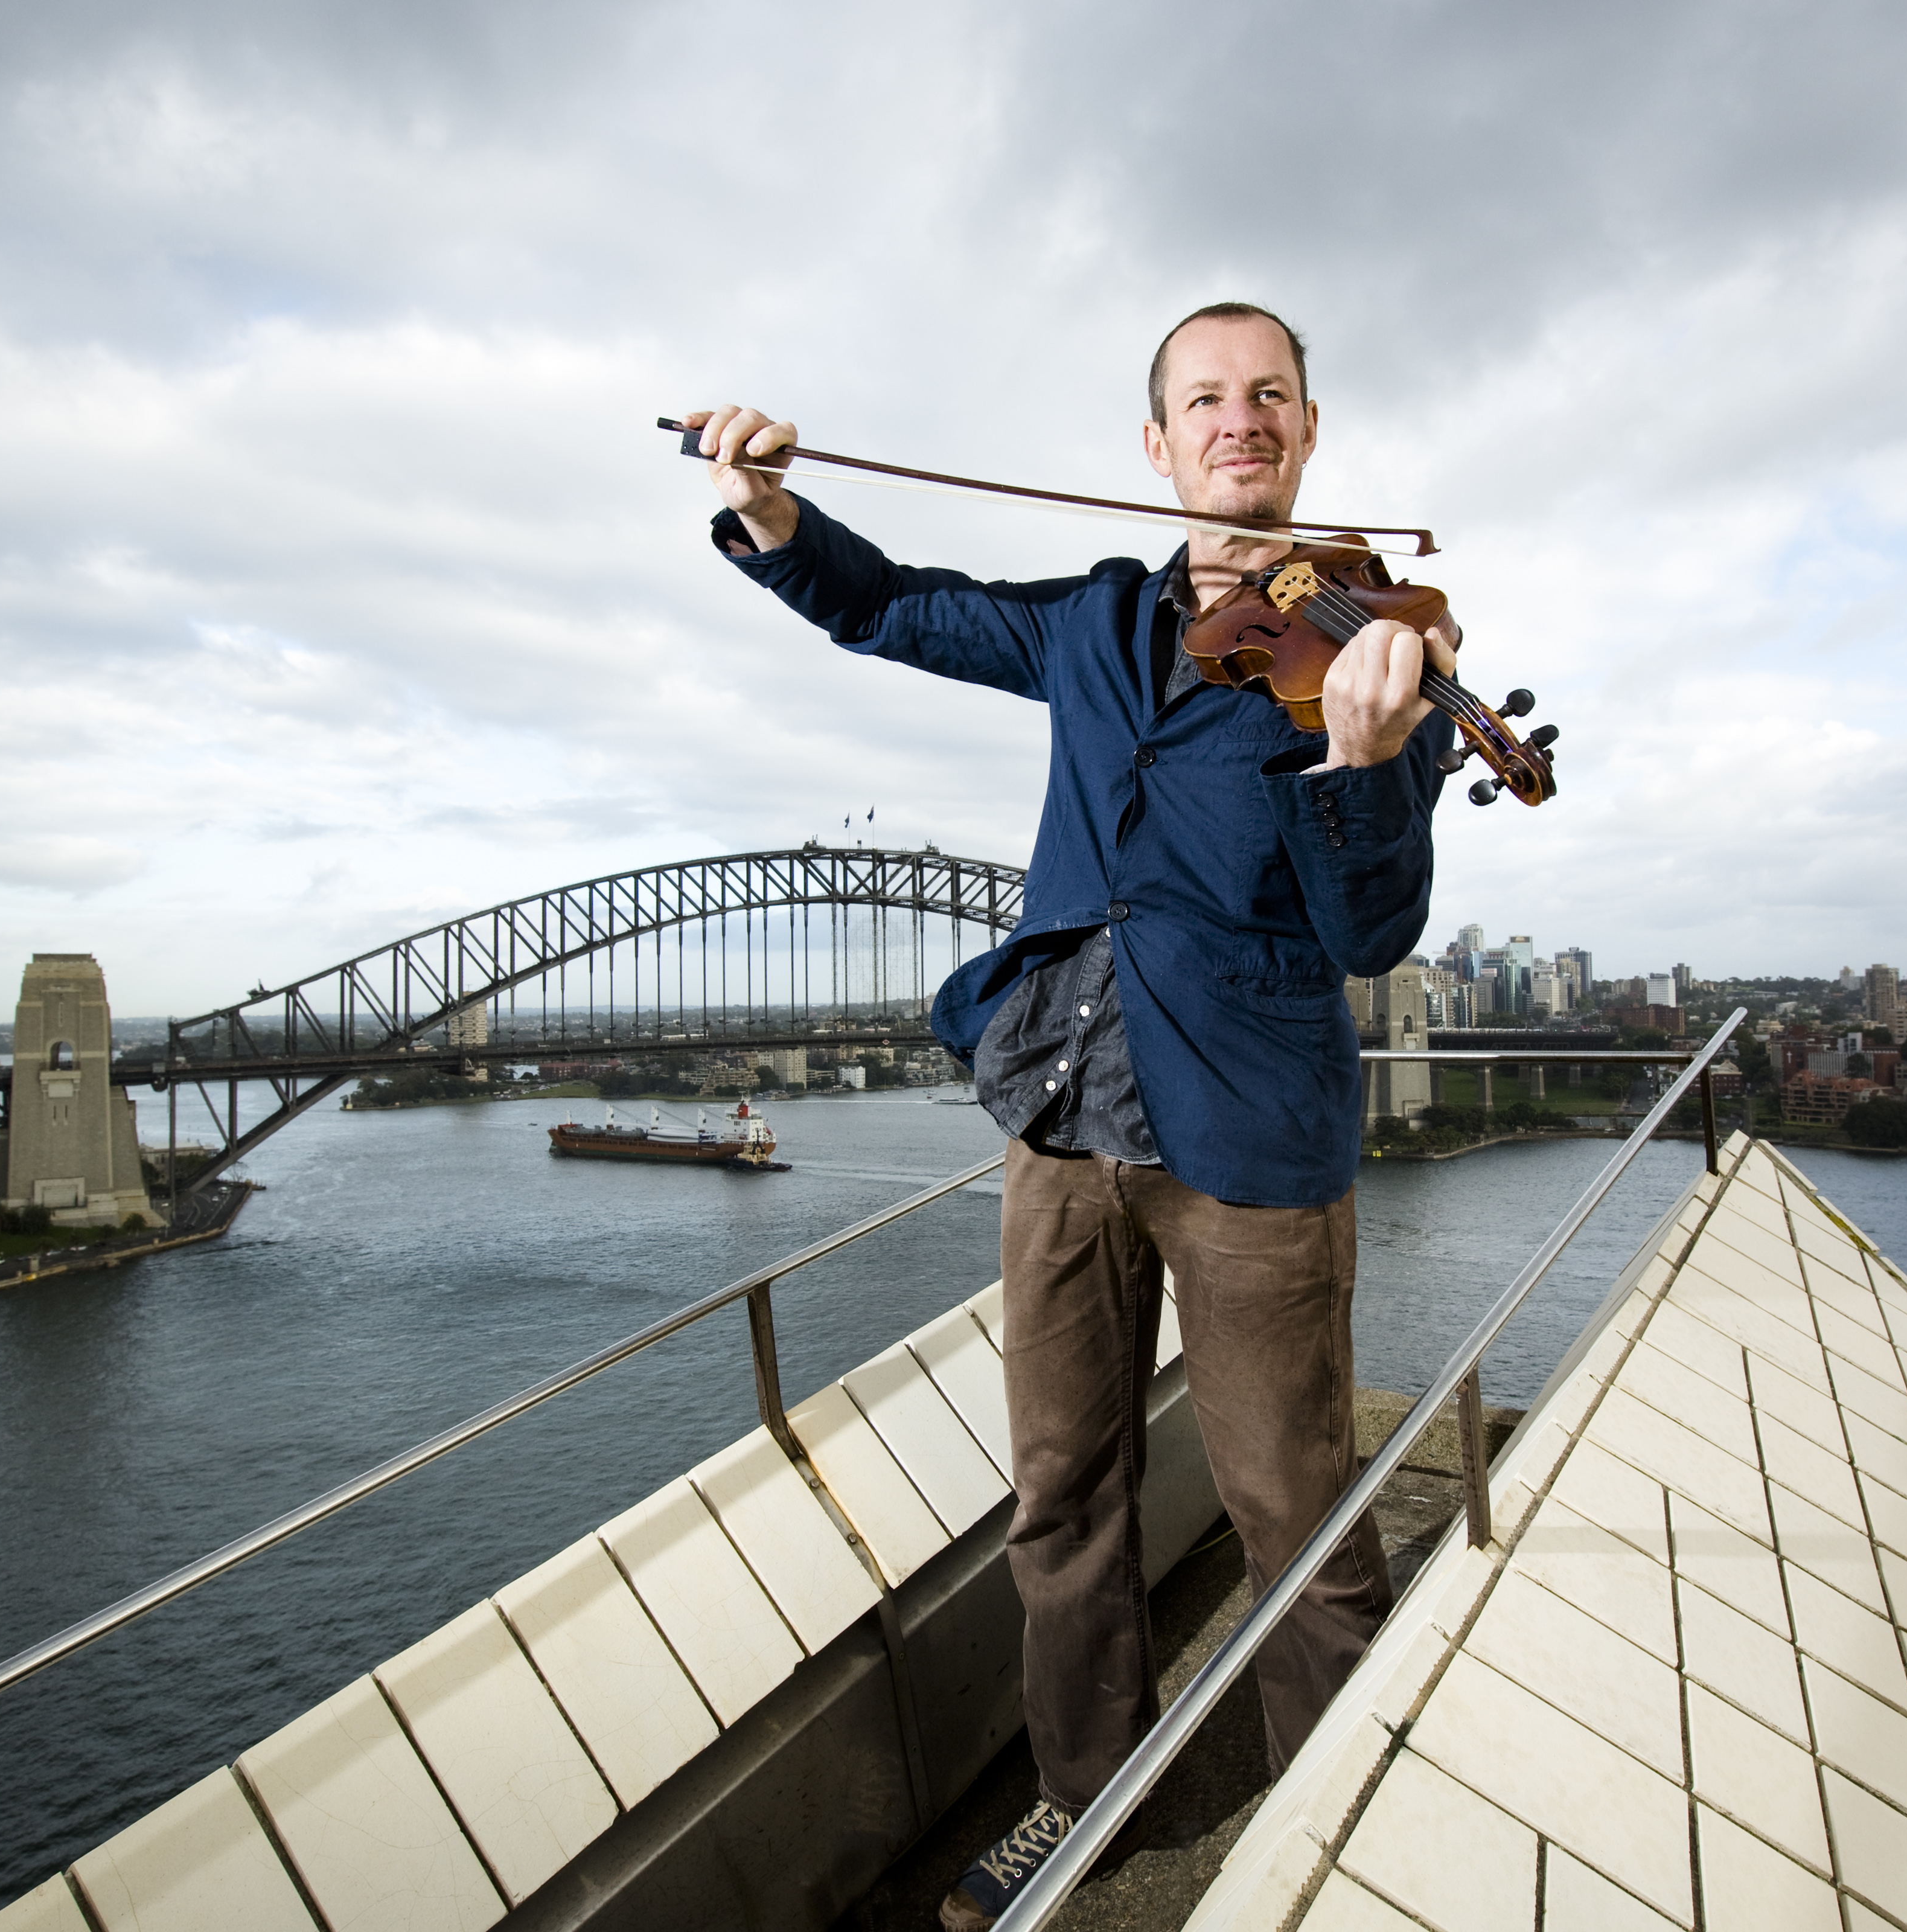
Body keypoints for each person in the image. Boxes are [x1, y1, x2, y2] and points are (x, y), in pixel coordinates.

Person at [683, 301, 1456, 1931]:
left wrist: (1361, 765)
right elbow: (890, 605)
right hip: (1061, 1116)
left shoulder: (1370, 650)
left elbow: (1373, 932)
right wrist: (772, 514)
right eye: (1206, 397)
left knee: (1297, 1515)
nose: (1241, 418)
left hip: (1250, 1145)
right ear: (1159, 445)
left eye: (1270, 394)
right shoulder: (1092, 622)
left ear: (1308, 430)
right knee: (1059, 1496)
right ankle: (1086, 1795)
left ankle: (1340, 1832)